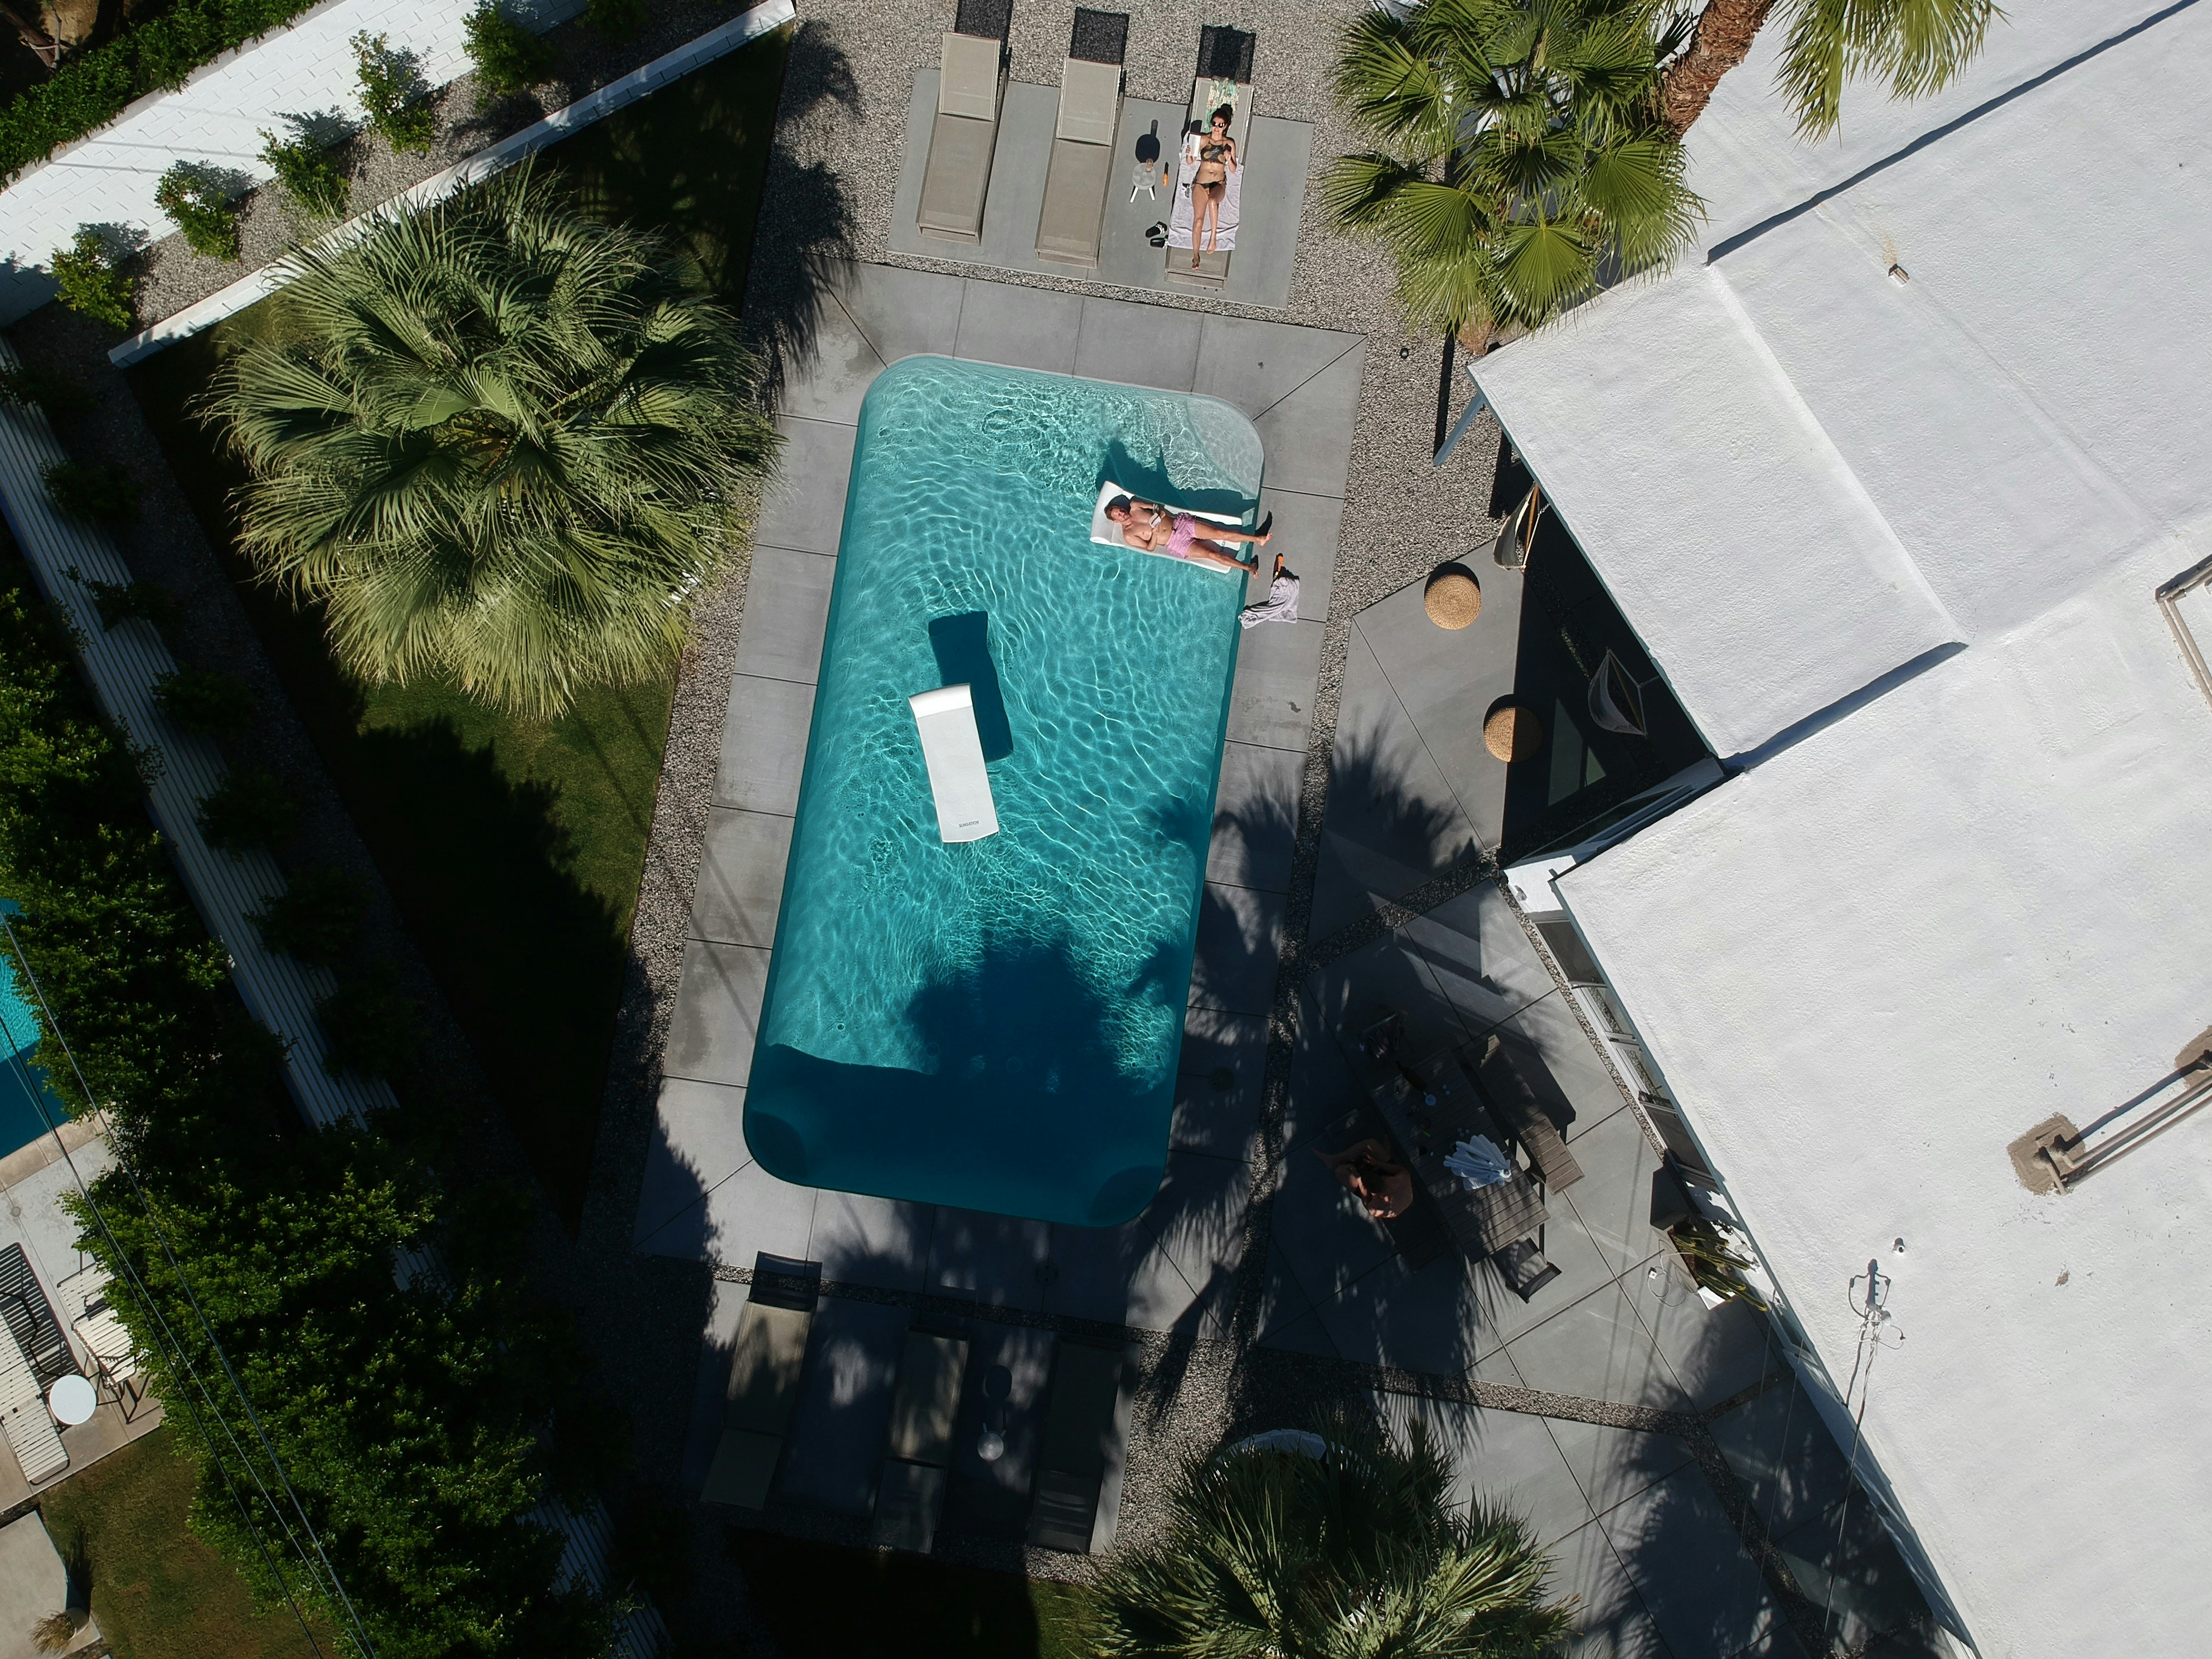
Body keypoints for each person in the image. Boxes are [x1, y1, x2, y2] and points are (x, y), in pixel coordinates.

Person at [1104, 495, 1272, 573]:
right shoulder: (1128, 535)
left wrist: (1159, 512)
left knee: (1220, 533)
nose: (1122, 514)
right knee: (1212, 554)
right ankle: (1247, 567)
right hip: (1176, 543)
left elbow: (1155, 506)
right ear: (1116, 521)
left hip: (1181, 524)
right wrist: (1154, 534)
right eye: (1118, 515)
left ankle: (1258, 539)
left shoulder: (1134, 506)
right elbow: (1149, 548)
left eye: (1120, 510)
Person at [1316, 1138, 1414, 1221]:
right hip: (1384, 1173)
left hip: (1369, 1191)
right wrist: (1377, 1163)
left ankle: (1346, 1163)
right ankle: (1335, 1159)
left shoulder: (1377, 1208)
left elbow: (1366, 1202)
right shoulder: (1403, 1179)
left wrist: (1359, 1179)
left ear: (1373, 1194)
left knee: (1340, 1172)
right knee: (1370, 1144)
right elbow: (1400, 1170)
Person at [1189, 106, 1238, 268]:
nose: (1216, 128)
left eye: (1220, 125)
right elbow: (1190, 161)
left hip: (1218, 184)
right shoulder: (1204, 139)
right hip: (1201, 183)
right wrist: (1189, 153)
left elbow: (1233, 169)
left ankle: (1213, 239)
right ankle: (1196, 256)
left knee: (1212, 202)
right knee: (1198, 221)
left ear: (1226, 126)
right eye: (1214, 124)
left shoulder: (1229, 143)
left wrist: (1229, 159)